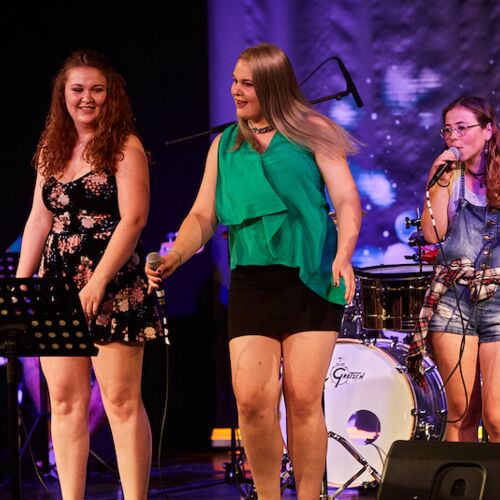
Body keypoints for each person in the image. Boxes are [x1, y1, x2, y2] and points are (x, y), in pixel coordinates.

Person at [146, 43, 361, 500]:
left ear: (273, 87)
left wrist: (344, 254)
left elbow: (346, 200)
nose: (235, 91)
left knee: (302, 400)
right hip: (252, 281)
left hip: (311, 275)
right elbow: (202, 215)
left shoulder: (314, 131)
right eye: (234, 81)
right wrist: (176, 256)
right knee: (251, 402)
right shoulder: (224, 145)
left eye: (247, 83)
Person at [16, 50, 162, 499]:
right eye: (77, 89)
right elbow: (39, 219)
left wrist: (97, 281)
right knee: (63, 401)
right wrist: (21, 286)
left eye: (96, 89)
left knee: (120, 401)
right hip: (57, 285)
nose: (86, 98)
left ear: (110, 94)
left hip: (112, 284)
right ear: (62, 94)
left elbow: (133, 220)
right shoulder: (52, 148)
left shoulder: (125, 146)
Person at [408, 96, 500, 443]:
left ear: (487, 131)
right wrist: (439, 181)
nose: (454, 137)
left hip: (497, 298)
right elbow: (433, 235)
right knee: (461, 412)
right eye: (448, 130)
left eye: (462, 128)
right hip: (453, 300)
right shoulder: (448, 175)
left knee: (497, 417)